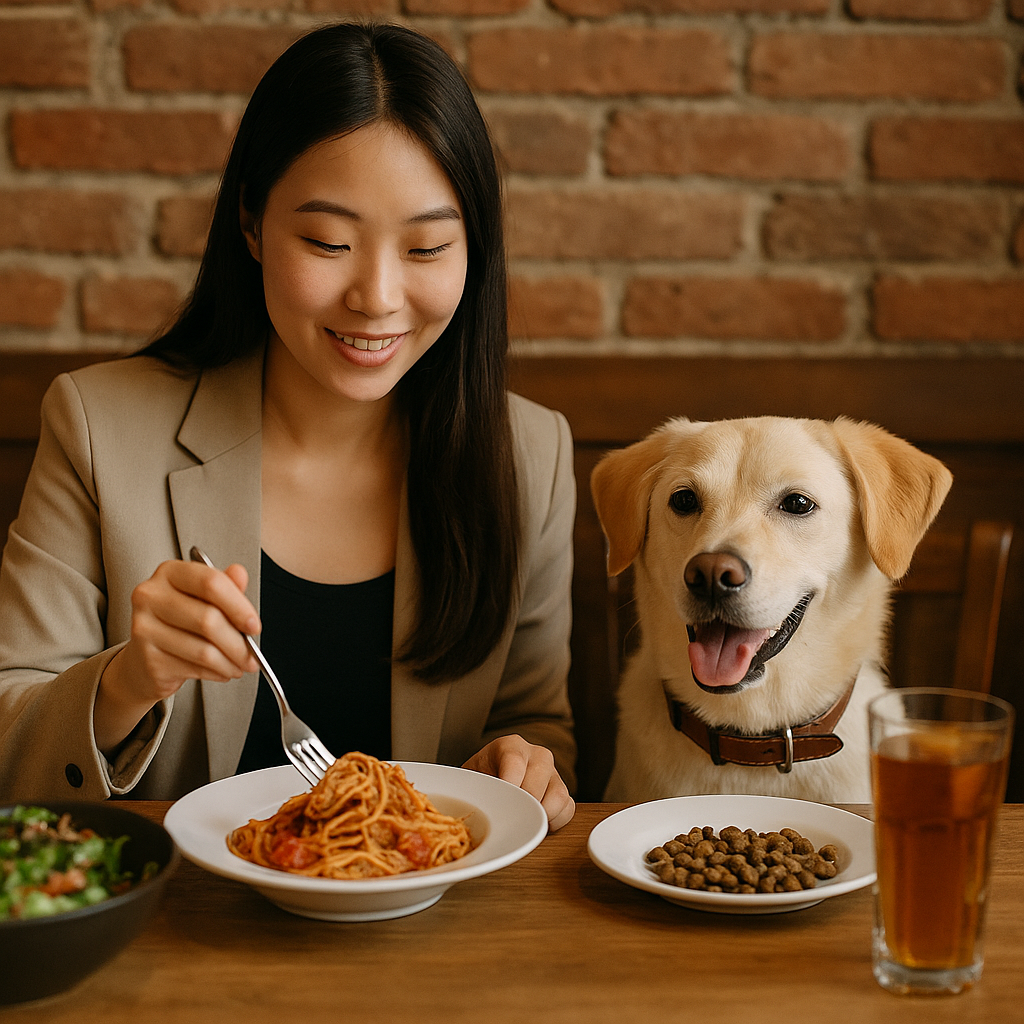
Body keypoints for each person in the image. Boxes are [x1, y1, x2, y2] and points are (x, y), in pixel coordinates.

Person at [0, 23, 576, 830]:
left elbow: (538, 726)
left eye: (427, 247)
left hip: (430, 929)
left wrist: (519, 767)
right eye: (328, 240)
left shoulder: (531, 456)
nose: (376, 296)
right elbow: (9, 735)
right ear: (251, 225)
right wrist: (131, 678)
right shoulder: (99, 425)